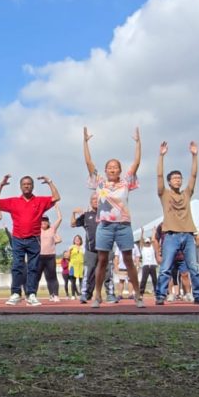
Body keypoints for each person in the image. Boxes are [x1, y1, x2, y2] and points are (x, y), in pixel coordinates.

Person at [83, 125, 142, 308]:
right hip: (105, 226)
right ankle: (97, 295)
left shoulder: (126, 182)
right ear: (106, 170)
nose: (113, 169)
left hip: (123, 225)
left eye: (116, 167)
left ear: (119, 170)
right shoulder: (100, 183)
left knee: (128, 259)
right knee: (102, 260)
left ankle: (138, 295)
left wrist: (138, 143)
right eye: (109, 167)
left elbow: (136, 163)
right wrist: (85, 143)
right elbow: (89, 163)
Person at [154, 140, 199, 305]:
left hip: (188, 235)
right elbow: (159, 176)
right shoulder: (164, 193)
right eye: (174, 178)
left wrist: (194, 156)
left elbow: (194, 176)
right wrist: (161, 156)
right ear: (170, 182)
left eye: (179, 178)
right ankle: (160, 296)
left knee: (193, 268)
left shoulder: (186, 194)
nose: (178, 180)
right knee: (165, 268)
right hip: (171, 236)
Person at [0, 174, 60, 306]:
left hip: (34, 239)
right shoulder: (13, 201)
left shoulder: (40, 201)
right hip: (18, 239)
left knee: (33, 268)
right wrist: (1, 185)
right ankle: (16, 293)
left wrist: (49, 182)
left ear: (33, 186)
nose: (26, 186)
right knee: (17, 266)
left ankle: (31, 294)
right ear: (20, 186)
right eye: (24, 184)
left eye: (29, 184)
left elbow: (57, 197)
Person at [38, 208, 63, 302]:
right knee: (36, 277)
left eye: (45, 221)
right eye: (42, 221)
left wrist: (57, 208)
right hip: (40, 257)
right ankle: (32, 295)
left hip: (50, 257)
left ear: (48, 222)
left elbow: (60, 218)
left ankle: (55, 295)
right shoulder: (37, 229)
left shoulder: (52, 229)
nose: (43, 222)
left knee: (52, 277)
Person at [137, 231, 158, 298]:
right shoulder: (143, 249)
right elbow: (141, 242)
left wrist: (153, 232)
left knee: (155, 280)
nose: (147, 243)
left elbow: (153, 240)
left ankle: (156, 292)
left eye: (148, 242)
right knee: (144, 280)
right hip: (145, 265)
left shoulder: (152, 248)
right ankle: (141, 293)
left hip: (152, 265)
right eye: (146, 242)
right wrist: (142, 233)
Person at [68, 235, 84, 301]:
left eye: (78, 239)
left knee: (82, 281)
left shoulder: (83, 247)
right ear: (74, 240)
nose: (77, 240)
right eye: (76, 239)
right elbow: (68, 257)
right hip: (73, 266)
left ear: (80, 240)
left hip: (81, 266)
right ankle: (73, 295)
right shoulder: (71, 247)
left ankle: (82, 294)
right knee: (73, 282)